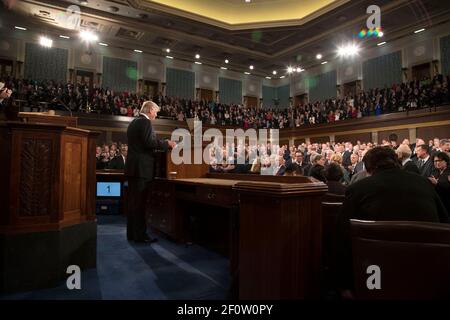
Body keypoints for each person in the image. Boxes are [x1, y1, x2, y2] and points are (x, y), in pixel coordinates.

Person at [336, 147, 448, 293]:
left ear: (368, 169)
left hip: (375, 275)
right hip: (427, 271)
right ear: (397, 162)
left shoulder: (358, 188)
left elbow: (341, 234)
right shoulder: (424, 183)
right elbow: (445, 223)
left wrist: (344, 285)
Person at [125, 101, 176, 243]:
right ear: (150, 110)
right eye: (156, 112)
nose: (156, 115)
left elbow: (145, 142)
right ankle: (140, 236)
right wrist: (167, 143)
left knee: (133, 204)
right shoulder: (145, 123)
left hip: (133, 168)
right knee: (140, 205)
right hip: (142, 169)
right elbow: (149, 143)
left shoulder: (134, 122)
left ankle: (132, 234)